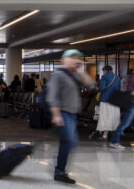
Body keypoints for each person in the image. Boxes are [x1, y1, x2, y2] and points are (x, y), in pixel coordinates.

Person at [47, 49, 96, 184]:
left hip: (72, 114)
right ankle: (59, 169)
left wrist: (82, 71)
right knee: (70, 141)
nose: (75, 60)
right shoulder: (58, 74)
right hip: (64, 113)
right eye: (72, 57)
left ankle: (59, 170)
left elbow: (91, 85)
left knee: (68, 142)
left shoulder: (74, 75)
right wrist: (56, 114)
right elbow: (53, 96)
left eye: (77, 58)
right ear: (63, 60)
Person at [93, 65, 121, 140]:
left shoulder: (104, 77)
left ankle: (105, 135)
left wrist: (97, 89)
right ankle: (112, 134)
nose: (103, 72)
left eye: (103, 71)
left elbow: (102, 88)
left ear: (105, 70)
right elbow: (118, 89)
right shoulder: (117, 77)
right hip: (114, 100)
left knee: (105, 117)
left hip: (105, 99)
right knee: (113, 117)